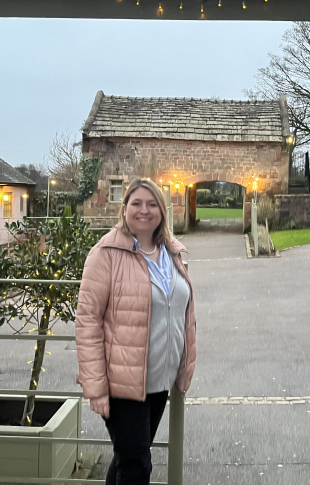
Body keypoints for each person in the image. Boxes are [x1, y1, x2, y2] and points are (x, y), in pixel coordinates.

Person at [76, 178, 197, 485]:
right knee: (138, 464)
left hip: (159, 378)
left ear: (162, 210)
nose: (145, 210)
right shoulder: (105, 254)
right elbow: (88, 322)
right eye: (137, 203)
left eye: (152, 204)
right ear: (125, 208)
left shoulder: (171, 253)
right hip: (121, 382)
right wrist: (96, 387)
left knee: (128, 457)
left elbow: (180, 311)